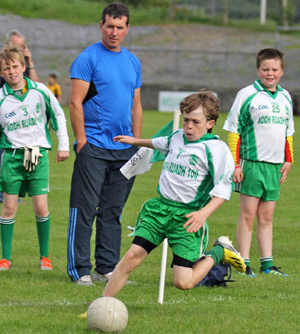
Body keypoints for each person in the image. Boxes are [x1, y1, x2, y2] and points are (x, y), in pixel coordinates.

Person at [102, 91, 246, 297]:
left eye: (195, 121)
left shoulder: (217, 149)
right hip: (159, 210)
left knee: (183, 282)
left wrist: (203, 214)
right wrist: (135, 141)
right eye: (186, 120)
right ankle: (101, 305)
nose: (188, 125)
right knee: (131, 257)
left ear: (210, 123)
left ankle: (220, 251)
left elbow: (223, 191)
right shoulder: (177, 137)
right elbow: (160, 143)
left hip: (187, 218)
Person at [67, 2, 143, 286]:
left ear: (127, 29)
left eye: (119, 27)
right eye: (109, 26)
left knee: (112, 211)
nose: (114, 32)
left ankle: (106, 268)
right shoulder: (88, 58)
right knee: (84, 209)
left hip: (125, 150)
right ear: (101, 26)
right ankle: (80, 270)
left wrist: (136, 143)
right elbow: (75, 102)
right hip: (94, 149)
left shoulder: (133, 61)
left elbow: (136, 106)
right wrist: (81, 141)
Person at [0, 42, 69, 271]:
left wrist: (64, 146)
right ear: (1, 73)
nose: (11, 72)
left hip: (37, 157)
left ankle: (45, 257)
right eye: (6, 69)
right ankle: (6, 258)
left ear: (23, 67)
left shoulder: (40, 90)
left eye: (15, 66)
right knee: (9, 208)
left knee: (41, 208)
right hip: (11, 158)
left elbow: (58, 115)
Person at [223, 48, 294, 277]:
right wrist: (235, 164)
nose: (269, 73)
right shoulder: (247, 94)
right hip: (251, 163)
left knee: (267, 217)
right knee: (248, 215)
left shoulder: (285, 97)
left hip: (274, 166)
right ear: (258, 70)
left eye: (274, 69)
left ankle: (267, 264)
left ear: (281, 71)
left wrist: (289, 160)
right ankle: (243, 262)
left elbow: (288, 132)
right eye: (265, 69)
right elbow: (233, 131)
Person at [0, 29, 38, 202]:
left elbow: (37, 87)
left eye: (23, 46)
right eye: (18, 45)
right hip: (8, 116)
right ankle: (4, 193)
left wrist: (30, 62)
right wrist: (6, 106)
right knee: (6, 151)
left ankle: (5, 192)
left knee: (24, 151)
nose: (21, 48)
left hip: (25, 117)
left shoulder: (22, 64)